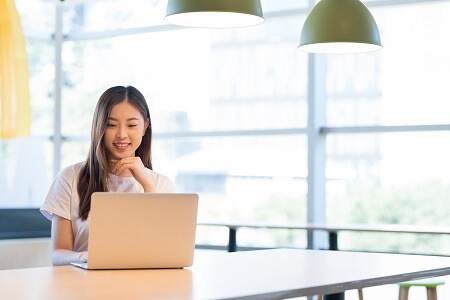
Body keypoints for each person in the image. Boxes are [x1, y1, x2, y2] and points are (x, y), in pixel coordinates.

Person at [40, 86, 176, 266]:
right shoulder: (70, 178)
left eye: (132, 125)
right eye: (111, 125)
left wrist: (148, 186)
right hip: (84, 287)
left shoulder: (162, 184)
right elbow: (58, 255)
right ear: (99, 126)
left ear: (145, 127)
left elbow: (167, 252)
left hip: (142, 288)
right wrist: (85, 257)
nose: (121, 134)